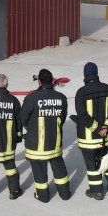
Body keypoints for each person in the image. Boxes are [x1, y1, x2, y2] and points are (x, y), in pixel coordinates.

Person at [18, 68, 71, 203]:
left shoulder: (31, 98)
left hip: (36, 144)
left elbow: (23, 118)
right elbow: (62, 118)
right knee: (59, 167)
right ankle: (65, 194)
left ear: (39, 82)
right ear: (52, 81)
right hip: (54, 142)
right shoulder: (61, 98)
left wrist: (31, 129)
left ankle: (43, 196)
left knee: (39, 169)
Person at [74, 62, 108, 200]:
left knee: (92, 165)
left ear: (85, 75)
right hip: (105, 137)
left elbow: (82, 116)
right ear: (96, 73)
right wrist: (107, 128)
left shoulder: (81, 93)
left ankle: (97, 191)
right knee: (107, 159)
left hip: (88, 139)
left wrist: (97, 129)